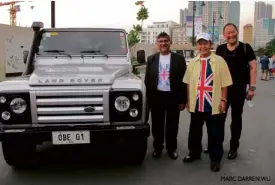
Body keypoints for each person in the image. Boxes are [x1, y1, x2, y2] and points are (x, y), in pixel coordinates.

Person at [182, 33, 232, 172]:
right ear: (197, 45)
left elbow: (225, 83)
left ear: (211, 44)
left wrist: (223, 99)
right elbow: (187, 83)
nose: (203, 46)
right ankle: (194, 153)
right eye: (200, 43)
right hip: (197, 104)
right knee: (194, 132)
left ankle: (215, 159)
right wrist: (187, 100)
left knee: (215, 133)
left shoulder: (220, 61)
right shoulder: (192, 62)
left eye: (205, 43)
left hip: (213, 105)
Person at [215, 23, 257, 160]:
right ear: (224, 34)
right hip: (223, 91)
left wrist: (252, 88)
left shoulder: (246, 48)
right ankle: (216, 145)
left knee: (236, 119)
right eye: (228, 33)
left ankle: (234, 147)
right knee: (219, 118)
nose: (231, 35)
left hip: (239, 90)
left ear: (237, 32)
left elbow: (253, 68)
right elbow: (215, 70)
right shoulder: (220, 49)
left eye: (233, 32)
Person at [144, 32, 187, 159]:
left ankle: (171, 148)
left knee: (172, 124)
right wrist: (148, 100)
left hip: (173, 96)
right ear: (157, 43)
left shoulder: (179, 59)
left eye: (165, 41)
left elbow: (184, 80)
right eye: (161, 41)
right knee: (157, 124)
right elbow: (147, 80)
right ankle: (158, 147)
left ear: (170, 42)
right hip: (157, 96)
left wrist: (182, 99)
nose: (163, 43)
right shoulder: (151, 59)